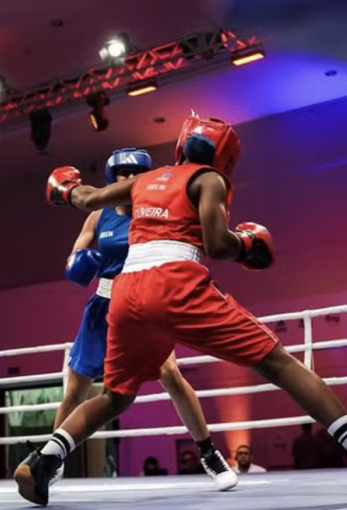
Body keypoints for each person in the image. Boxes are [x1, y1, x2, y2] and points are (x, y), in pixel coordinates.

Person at [15, 113, 347, 506]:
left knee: (116, 397)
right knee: (279, 363)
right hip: (177, 283)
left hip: (126, 292)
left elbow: (85, 198)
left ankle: (43, 461)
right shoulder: (209, 179)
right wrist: (248, 244)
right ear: (225, 157)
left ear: (181, 145)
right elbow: (217, 244)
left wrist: (65, 188)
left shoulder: (146, 180)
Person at [38, 148, 235, 490]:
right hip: (103, 305)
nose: (129, 179)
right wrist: (79, 262)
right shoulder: (98, 216)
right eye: (123, 173)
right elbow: (74, 257)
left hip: (141, 302)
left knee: (170, 374)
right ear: (112, 178)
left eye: (136, 173)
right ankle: (51, 460)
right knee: (75, 389)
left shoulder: (156, 212)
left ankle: (208, 453)